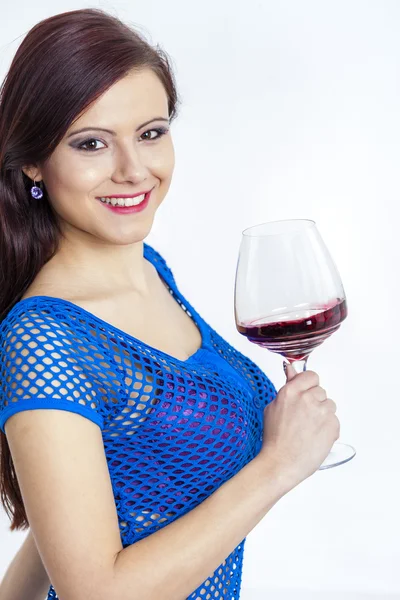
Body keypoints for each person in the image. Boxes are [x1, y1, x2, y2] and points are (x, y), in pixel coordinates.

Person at [0, 8, 340, 600]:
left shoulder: (148, 272)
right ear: (33, 161)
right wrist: (279, 464)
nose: (135, 171)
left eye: (151, 133)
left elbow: (91, 512)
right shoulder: (42, 336)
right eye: (91, 144)